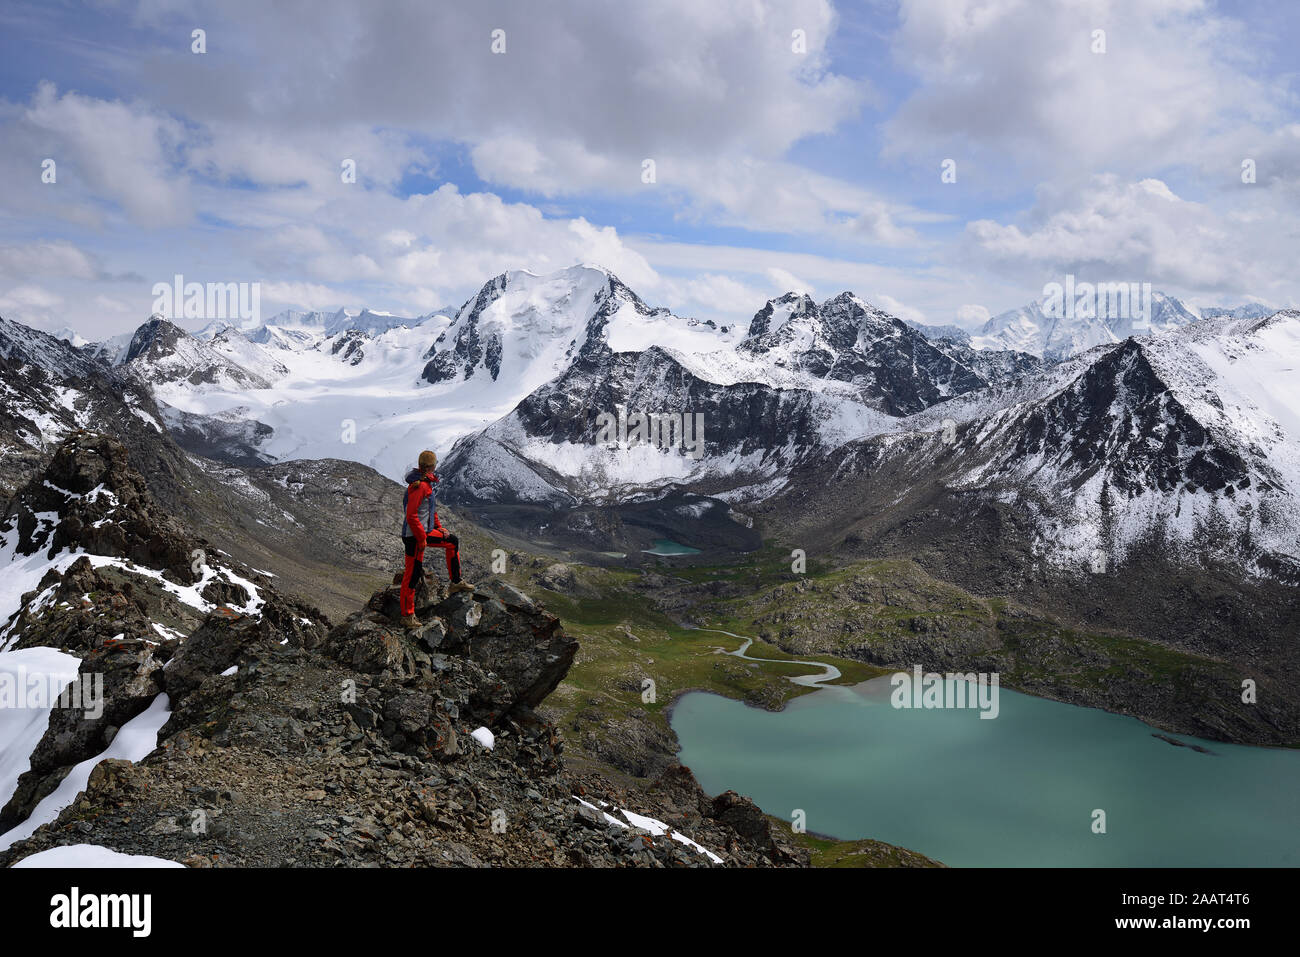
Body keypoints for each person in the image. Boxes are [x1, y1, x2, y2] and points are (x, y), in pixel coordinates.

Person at [399, 450, 472, 629]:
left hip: (424, 532)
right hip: (414, 537)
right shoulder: (420, 486)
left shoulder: (426, 484)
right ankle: (407, 616)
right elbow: (411, 515)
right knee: (412, 574)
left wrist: (439, 528)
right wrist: (422, 538)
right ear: (431, 466)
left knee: (452, 541)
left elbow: (430, 510)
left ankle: (456, 583)